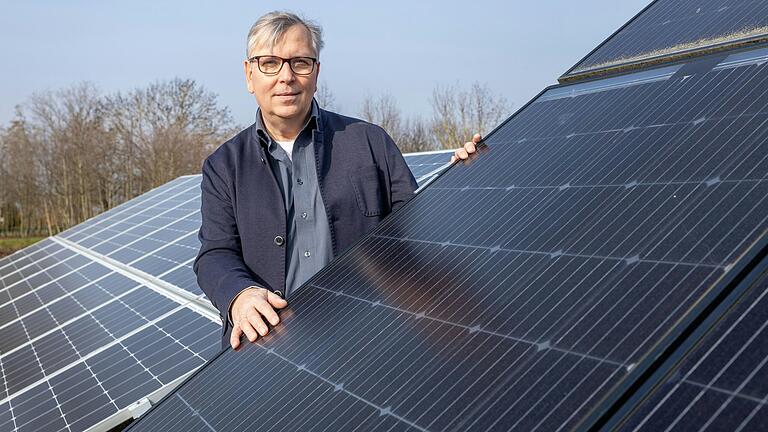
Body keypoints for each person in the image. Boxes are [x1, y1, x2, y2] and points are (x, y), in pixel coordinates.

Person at [194, 11, 481, 350]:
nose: (286, 77)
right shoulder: (223, 166)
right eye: (270, 63)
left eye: (300, 62)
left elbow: (417, 230)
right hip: (269, 348)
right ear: (249, 74)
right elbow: (214, 254)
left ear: (316, 72)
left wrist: (461, 185)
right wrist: (239, 295)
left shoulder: (369, 142)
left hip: (373, 339)